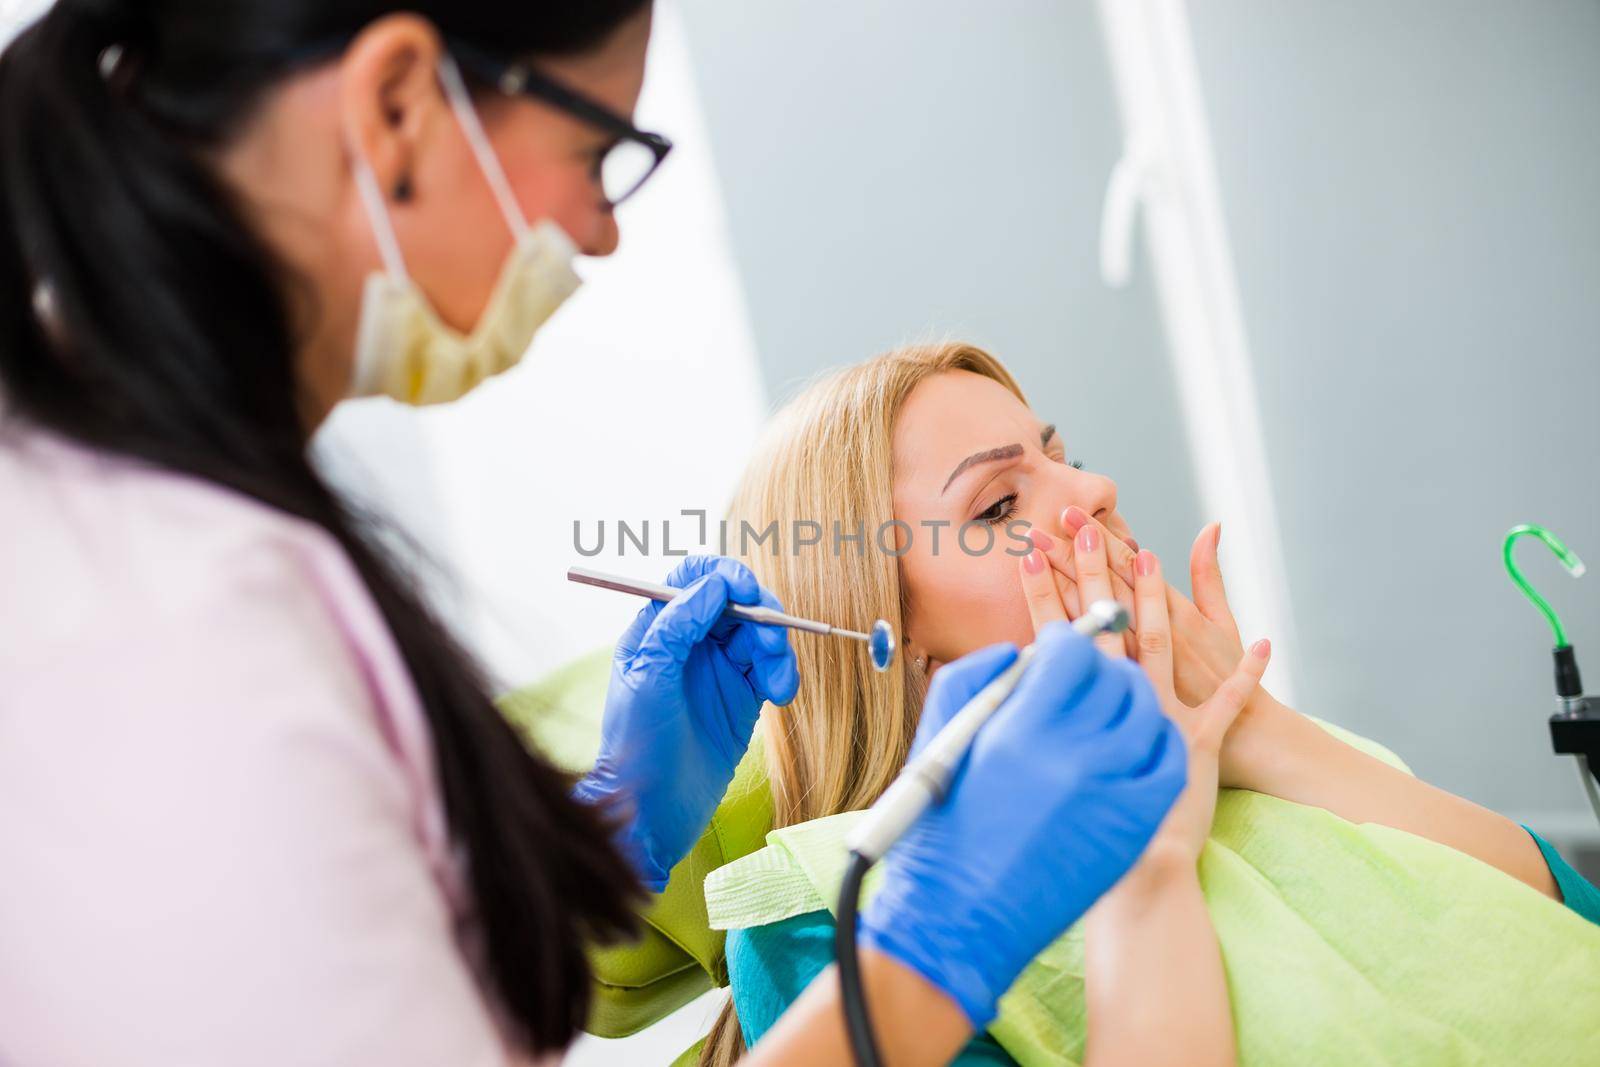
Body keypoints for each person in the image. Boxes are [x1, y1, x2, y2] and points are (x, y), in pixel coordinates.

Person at [0, 5, 1189, 1065]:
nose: (600, 231)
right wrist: (932, 949)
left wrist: (609, 845)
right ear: (400, 99)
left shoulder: (184, 533)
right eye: (596, 153)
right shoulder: (155, 621)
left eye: (1059, 452)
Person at [702, 341, 1600, 1066]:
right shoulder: (820, 921)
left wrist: (1266, 733)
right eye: (1001, 500)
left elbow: (1569, 918)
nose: (1094, 492)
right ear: (888, 637)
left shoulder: (1235, 741)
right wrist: (1152, 864)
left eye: (1063, 457)